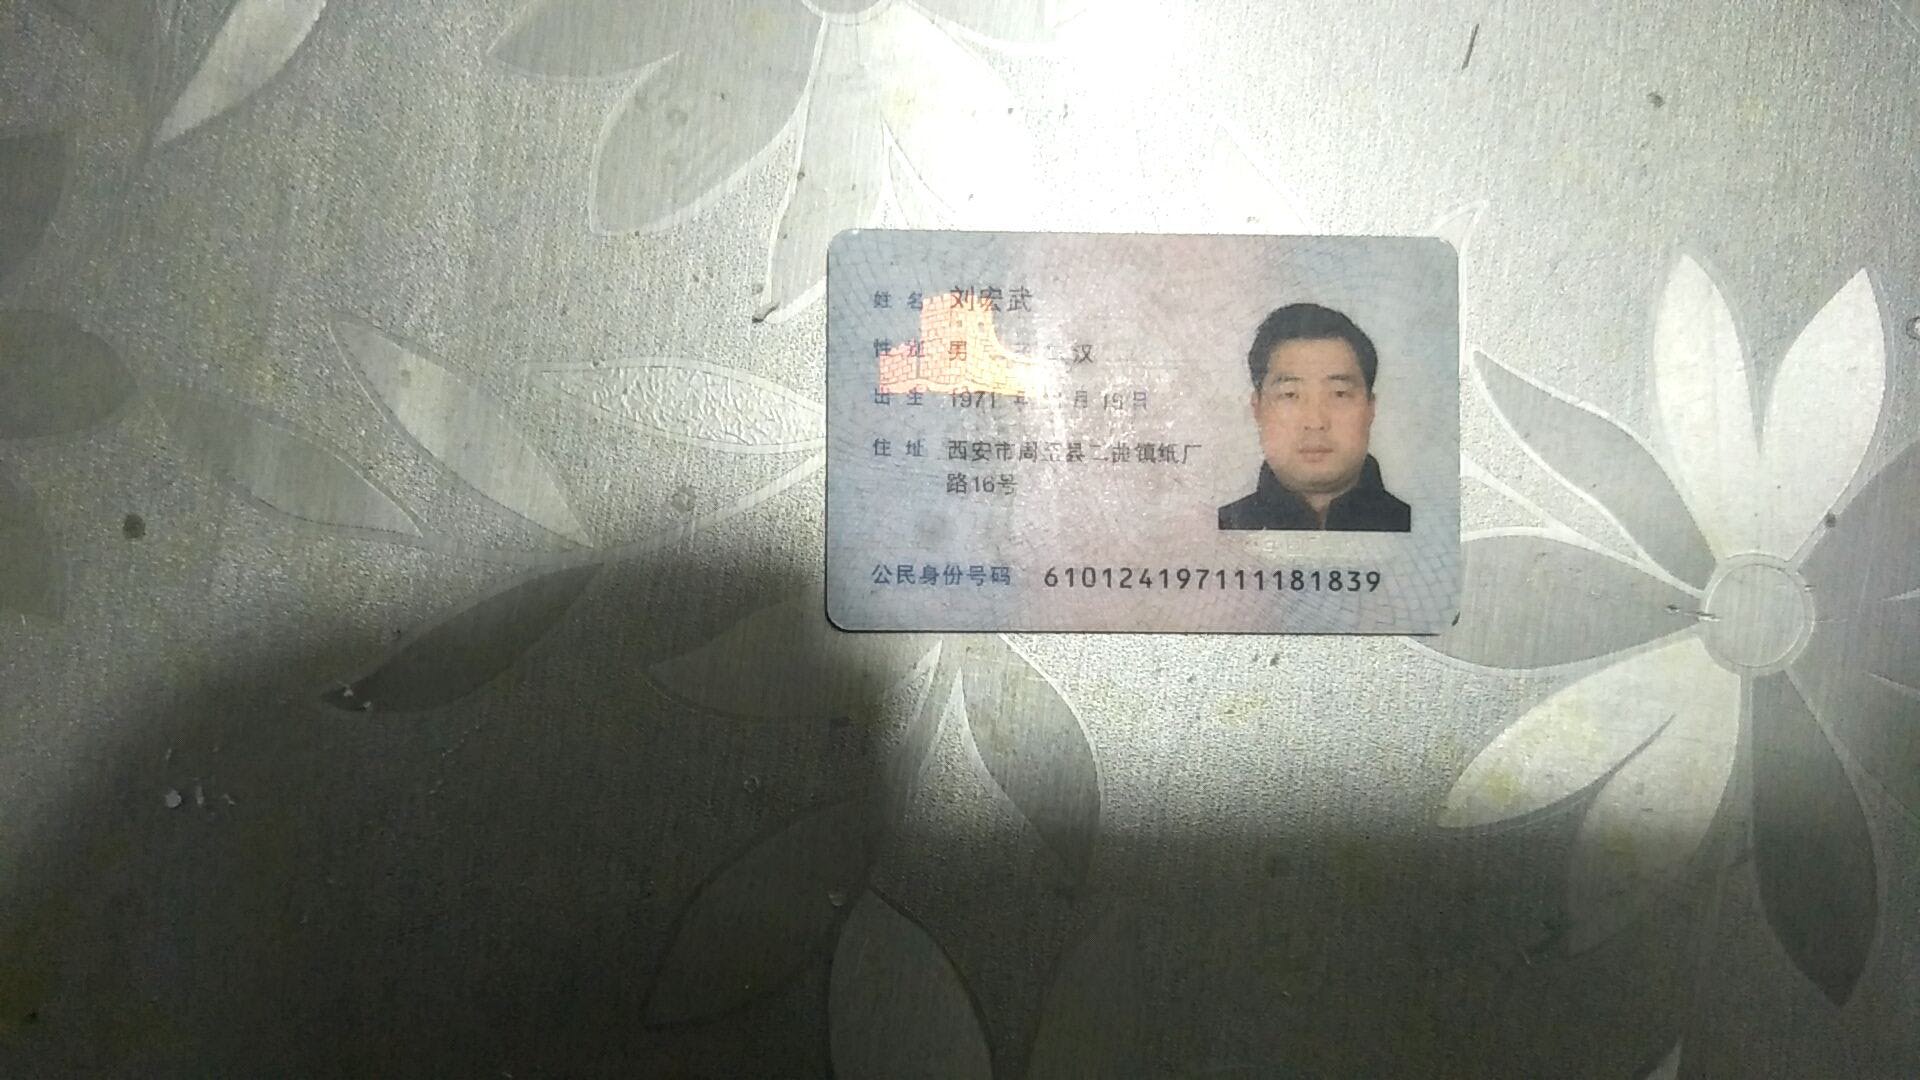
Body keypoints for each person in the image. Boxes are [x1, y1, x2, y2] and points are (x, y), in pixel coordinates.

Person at [1218, 303, 1411, 532]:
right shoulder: (1220, 527)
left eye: (1339, 394)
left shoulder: (1421, 526)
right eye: (1290, 394)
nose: (1315, 422)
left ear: (1371, 408)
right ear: (1257, 409)